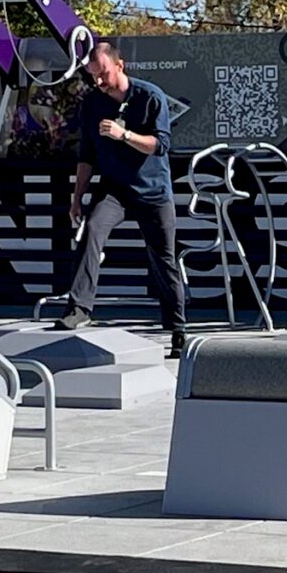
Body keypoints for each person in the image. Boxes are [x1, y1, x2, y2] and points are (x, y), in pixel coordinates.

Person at [57, 41, 186, 359]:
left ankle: (177, 330)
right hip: (114, 187)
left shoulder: (149, 96)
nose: (99, 82)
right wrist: (77, 198)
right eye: (92, 77)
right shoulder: (92, 103)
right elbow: (86, 154)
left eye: (103, 75)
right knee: (92, 232)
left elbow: (161, 145)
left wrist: (124, 135)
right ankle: (79, 308)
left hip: (152, 190)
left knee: (163, 258)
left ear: (120, 66)